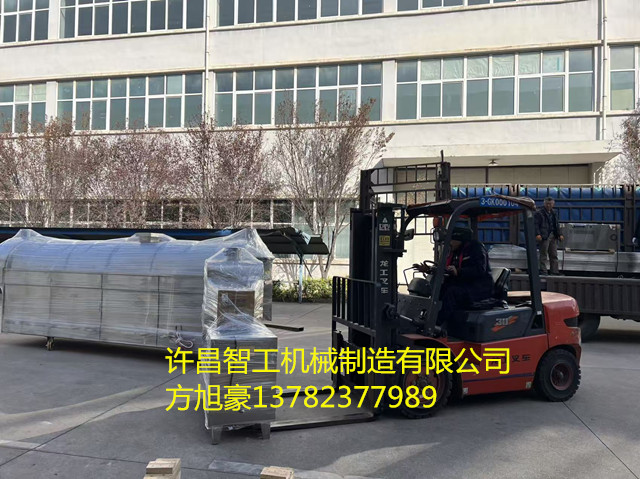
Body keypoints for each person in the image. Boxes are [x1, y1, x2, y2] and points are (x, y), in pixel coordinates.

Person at [414, 227, 494, 326]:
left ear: (459, 239)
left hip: (478, 288)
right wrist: (429, 269)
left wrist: (459, 272)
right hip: (465, 286)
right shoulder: (455, 252)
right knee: (437, 289)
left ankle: (435, 324)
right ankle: (425, 316)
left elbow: (479, 270)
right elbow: (446, 269)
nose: (449, 243)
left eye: (451, 240)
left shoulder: (476, 249)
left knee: (452, 293)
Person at [535, 197, 564, 275]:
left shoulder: (554, 213)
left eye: (550, 204)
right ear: (544, 204)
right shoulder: (539, 213)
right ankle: (543, 270)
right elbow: (536, 225)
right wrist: (537, 234)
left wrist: (560, 234)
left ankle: (554, 271)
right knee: (543, 254)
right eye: (547, 204)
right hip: (544, 235)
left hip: (553, 235)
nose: (548, 205)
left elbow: (556, 224)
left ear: (553, 204)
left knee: (554, 254)